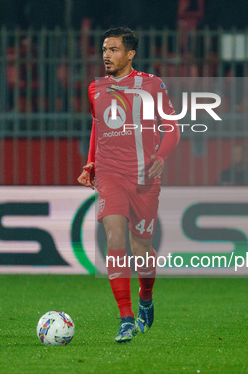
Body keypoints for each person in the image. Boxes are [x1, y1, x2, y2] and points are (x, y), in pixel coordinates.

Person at [77, 27, 180, 343]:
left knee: (141, 247)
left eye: (113, 49)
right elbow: (98, 126)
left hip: (145, 179)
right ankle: (125, 318)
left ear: (130, 53)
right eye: (104, 49)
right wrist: (91, 162)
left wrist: (161, 155)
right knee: (115, 236)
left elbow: (172, 127)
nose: (106, 55)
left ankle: (145, 297)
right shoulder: (96, 88)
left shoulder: (151, 85)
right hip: (110, 176)